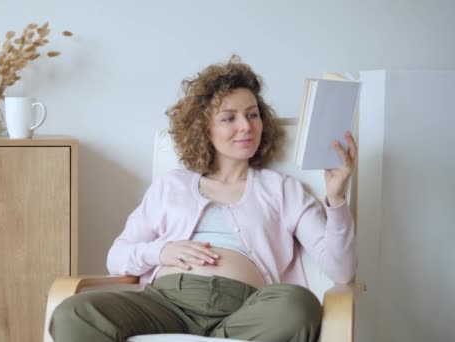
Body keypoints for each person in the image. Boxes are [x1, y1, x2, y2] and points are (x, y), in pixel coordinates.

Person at [50, 55, 357, 342]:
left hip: (246, 308)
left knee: (298, 304)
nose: (246, 126)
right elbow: (116, 258)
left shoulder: (283, 189)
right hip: (165, 304)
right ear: (205, 129)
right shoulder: (171, 185)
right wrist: (162, 251)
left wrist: (336, 197)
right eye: (229, 118)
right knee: (73, 312)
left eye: (252, 115)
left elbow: (341, 270)